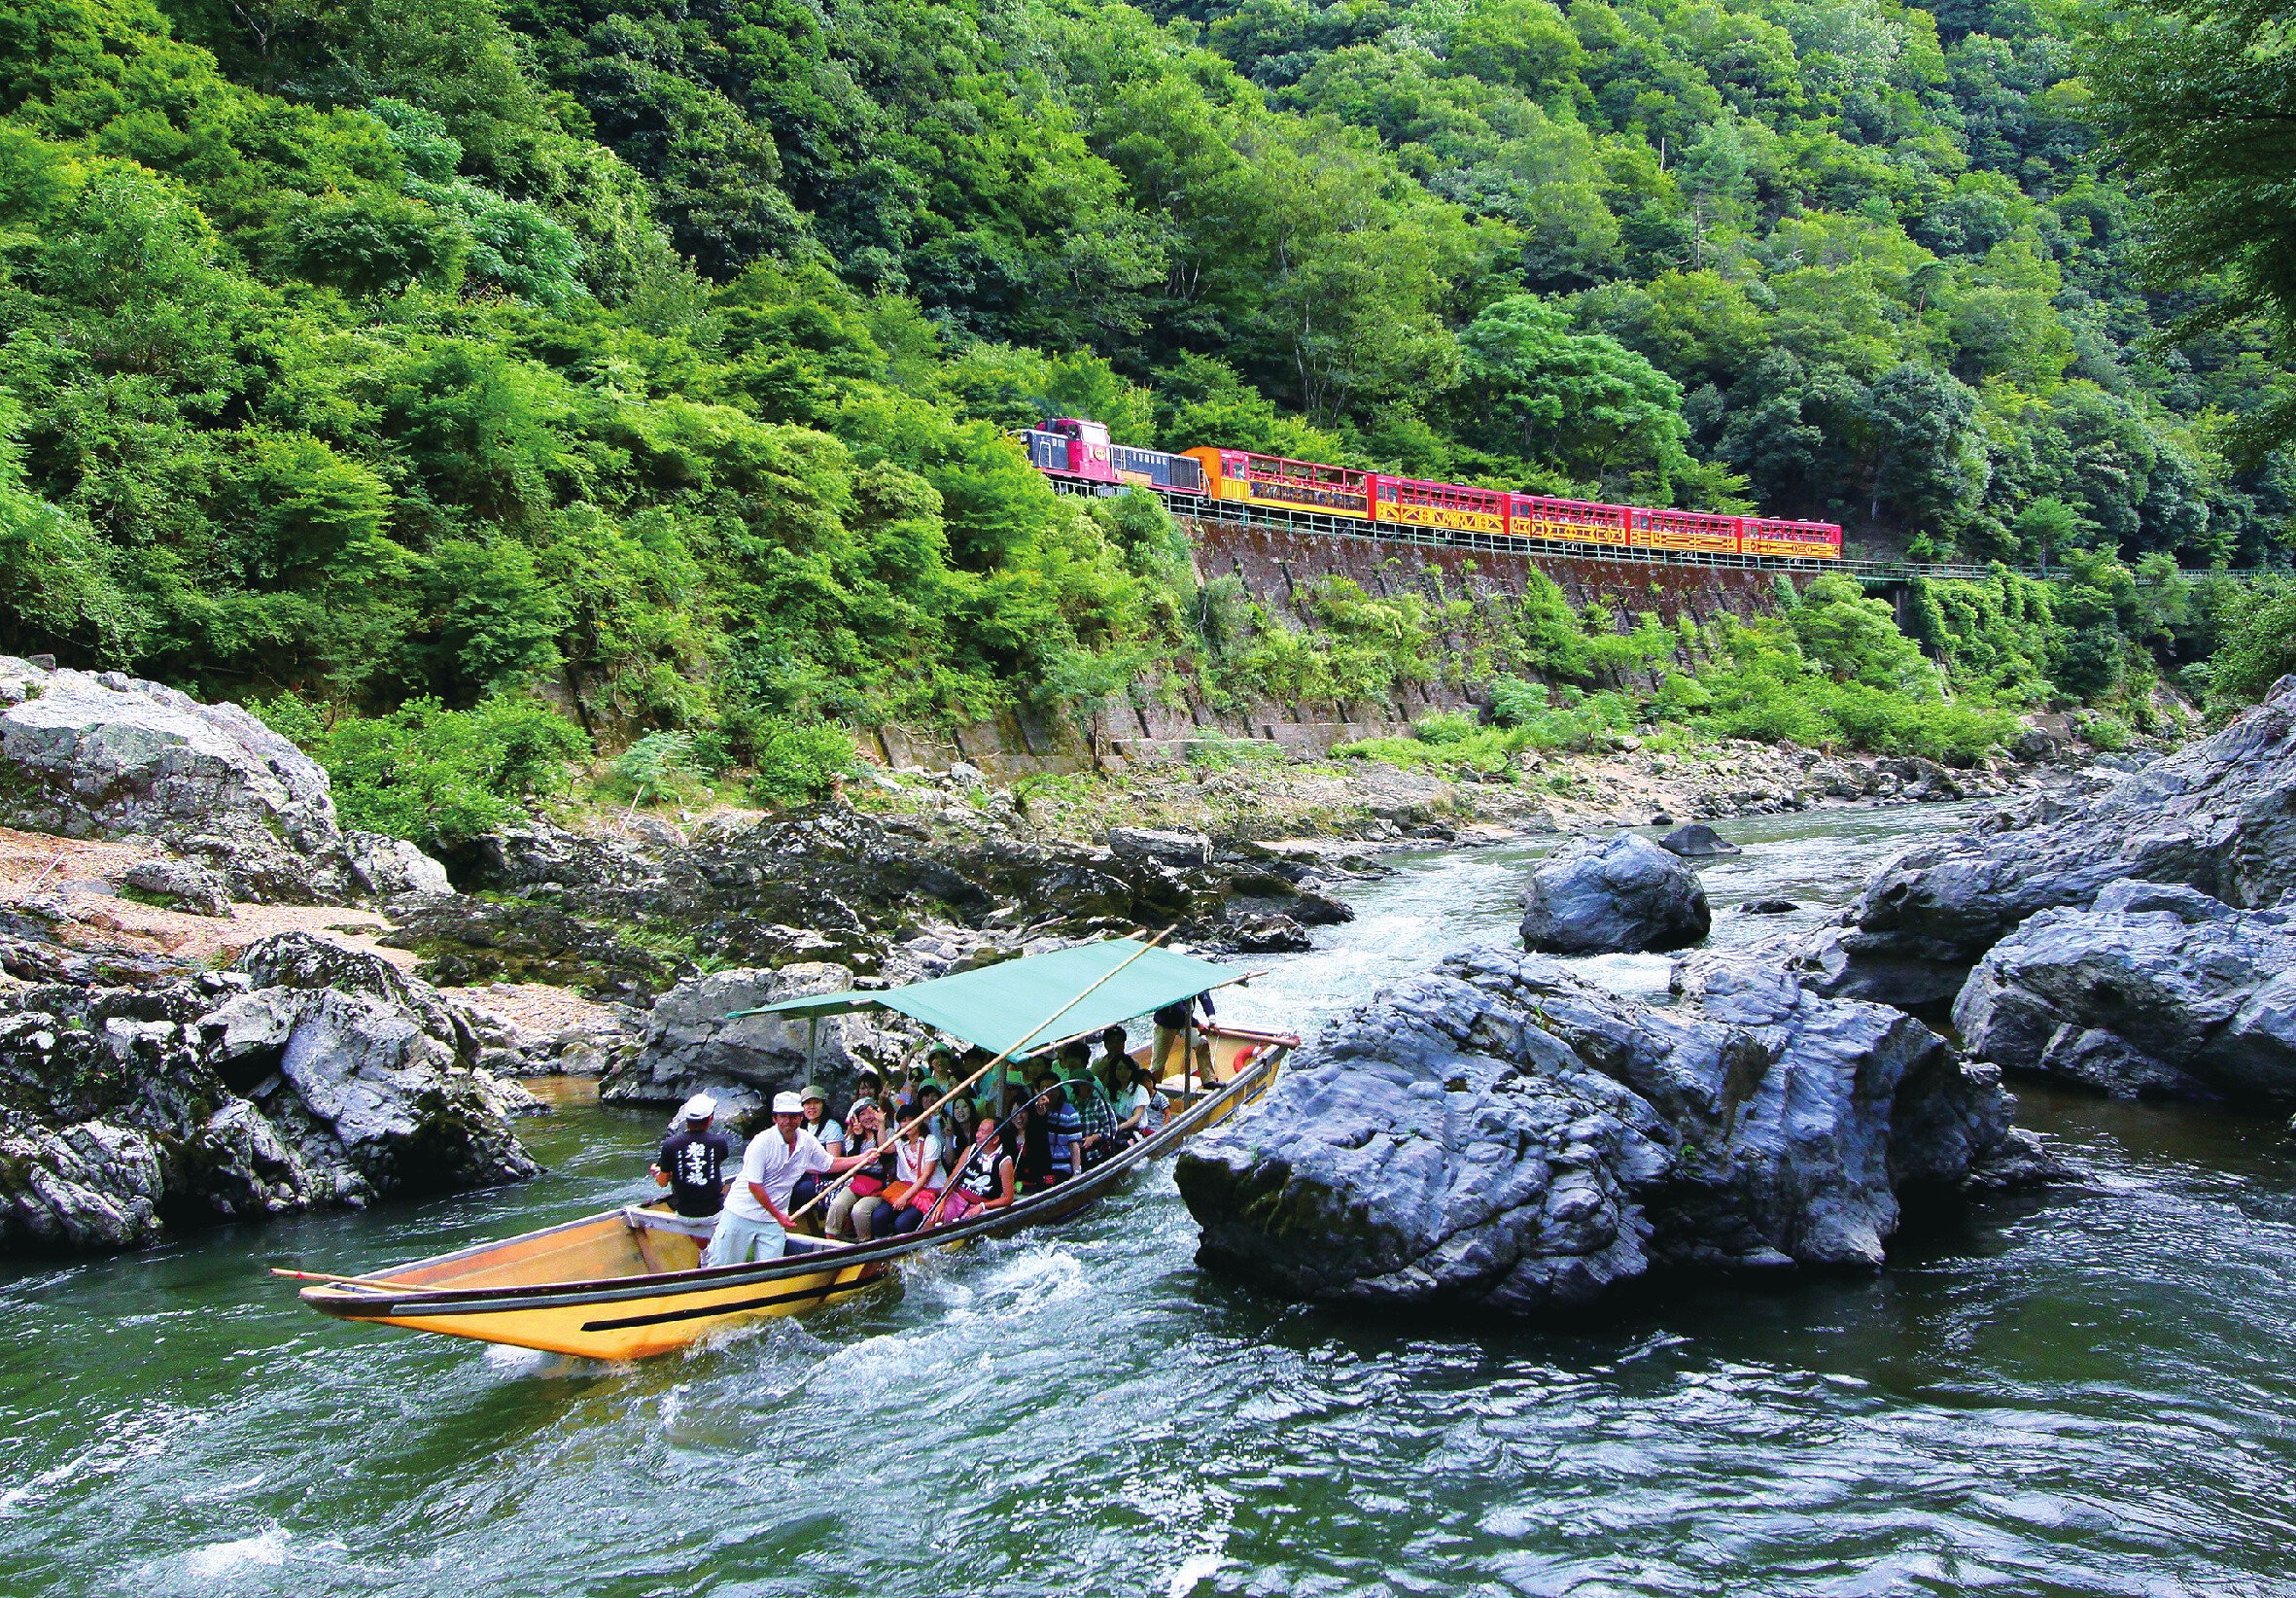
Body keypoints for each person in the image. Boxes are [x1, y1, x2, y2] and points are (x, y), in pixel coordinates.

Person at [704, 1092, 827, 1266]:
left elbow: (828, 1164)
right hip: (742, 1213)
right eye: (783, 1116)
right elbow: (755, 1185)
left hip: (772, 1220)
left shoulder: (807, 1140)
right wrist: (778, 1216)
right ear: (774, 1118)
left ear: (800, 1118)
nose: (788, 1121)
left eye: (793, 1116)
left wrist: (862, 1158)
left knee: (771, 1270)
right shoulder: (761, 1143)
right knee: (722, 1266)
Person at [650, 1094, 735, 1219]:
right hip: (715, 1213)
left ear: (686, 1120)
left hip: (684, 1214)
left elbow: (662, 1183)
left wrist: (658, 1173)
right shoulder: (719, 1142)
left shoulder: (670, 1145)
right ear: (710, 1118)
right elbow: (711, 1164)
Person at [823, 1096, 893, 1241]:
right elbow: (853, 1163)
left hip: (880, 1186)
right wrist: (858, 1137)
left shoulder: (889, 1132)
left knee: (859, 1211)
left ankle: (864, 1242)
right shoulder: (852, 1136)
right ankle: (831, 1240)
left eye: (871, 1112)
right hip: (858, 1182)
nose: (867, 1117)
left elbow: (886, 1156)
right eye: (862, 1114)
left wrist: (880, 1127)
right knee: (837, 1205)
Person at [938, 1112, 1017, 1223]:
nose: (977, 1135)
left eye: (983, 1132)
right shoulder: (970, 1150)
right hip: (957, 1199)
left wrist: (983, 1206)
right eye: (978, 1130)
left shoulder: (1004, 1162)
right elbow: (953, 1177)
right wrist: (941, 1200)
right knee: (933, 1217)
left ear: (995, 1139)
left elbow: (1008, 1198)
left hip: (980, 1207)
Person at [788, 1084, 846, 1223]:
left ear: (823, 1105)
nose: (812, 1107)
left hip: (822, 1179)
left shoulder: (831, 1127)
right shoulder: (799, 1127)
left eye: (816, 1103)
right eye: (807, 1103)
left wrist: (803, 1166)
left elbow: (833, 1162)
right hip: (799, 1174)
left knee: (802, 1190)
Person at [1152, 990, 1216, 1086]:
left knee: (1202, 1044)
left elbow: (1203, 994)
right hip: (1166, 1023)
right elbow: (1178, 1010)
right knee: (1159, 1061)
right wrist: (1197, 1024)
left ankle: (1209, 1081)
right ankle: (1153, 1087)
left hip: (1186, 1023)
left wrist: (1212, 1019)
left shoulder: (1195, 982)